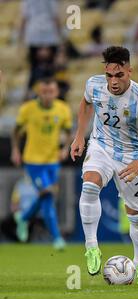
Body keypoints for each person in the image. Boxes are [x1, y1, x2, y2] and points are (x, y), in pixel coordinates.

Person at [70, 46, 138, 285]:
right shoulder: (94, 84)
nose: (113, 81)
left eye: (119, 75)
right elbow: (85, 104)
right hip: (101, 146)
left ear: (129, 71)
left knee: (136, 216)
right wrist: (79, 136)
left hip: (132, 157)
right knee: (90, 186)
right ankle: (91, 247)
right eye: (109, 75)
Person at [11, 78, 73, 250]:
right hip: (33, 161)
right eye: (44, 92)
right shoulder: (28, 109)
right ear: (39, 92)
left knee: (47, 195)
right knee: (47, 195)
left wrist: (65, 148)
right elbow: (16, 131)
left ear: (56, 92)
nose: (47, 96)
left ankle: (23, 218)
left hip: (53, 161)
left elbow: (68, 131)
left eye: (50, 92)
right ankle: (57, 238)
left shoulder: (63, 109)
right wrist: (15, 150)